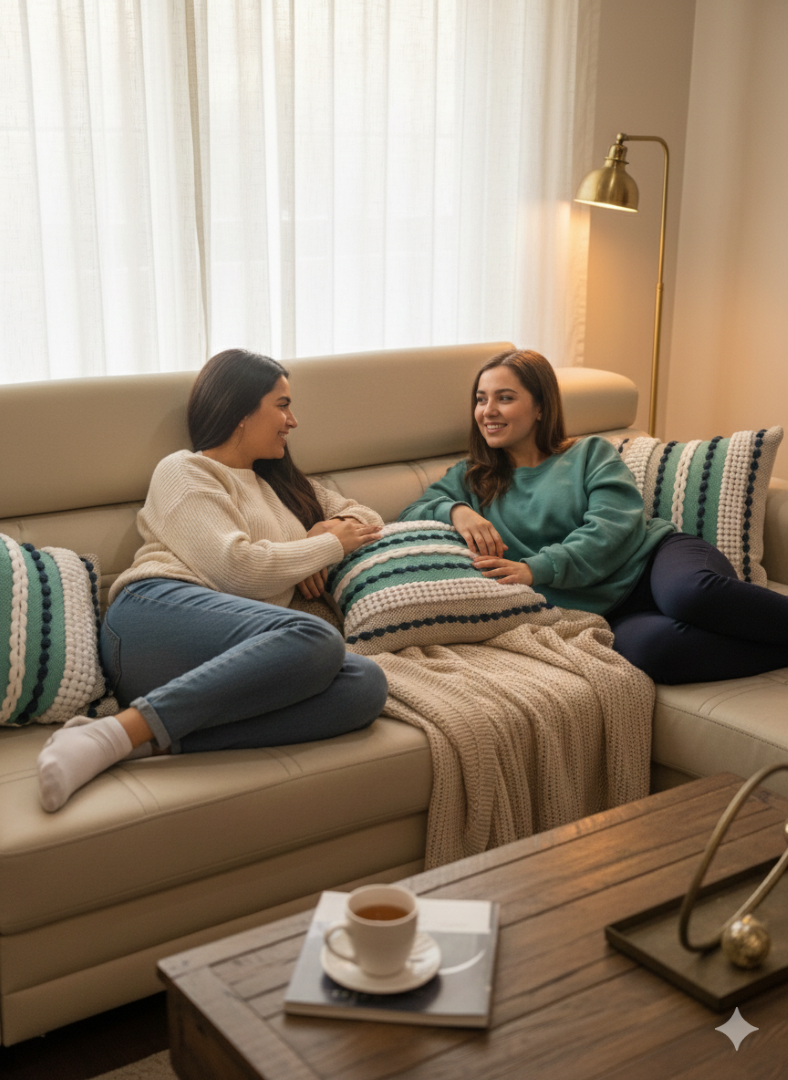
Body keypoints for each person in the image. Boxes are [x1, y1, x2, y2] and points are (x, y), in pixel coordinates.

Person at [37, 349, 388, 812]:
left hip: (232, 655)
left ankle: (146, 741)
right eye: (282, 405)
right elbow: (236, 570)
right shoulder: (186, 470)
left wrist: (324, 528)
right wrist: (324, 546)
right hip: (153, 617)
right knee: (317, 638)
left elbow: (367, 518)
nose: (294, 421)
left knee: (365, 684)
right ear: (241, 410)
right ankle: (112, 732)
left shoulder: (281, 484)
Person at [399, 349, 788, 685]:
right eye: (481, 399)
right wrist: (457, 510)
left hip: (653, 560)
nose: (488, 411)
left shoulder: (588, 454)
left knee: (690, 595)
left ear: (539, 408)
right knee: (652, 654)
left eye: (504, 398)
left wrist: (537, 568)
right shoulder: (471, 477)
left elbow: (613, 525)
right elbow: (409, 517)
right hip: (607, 610)